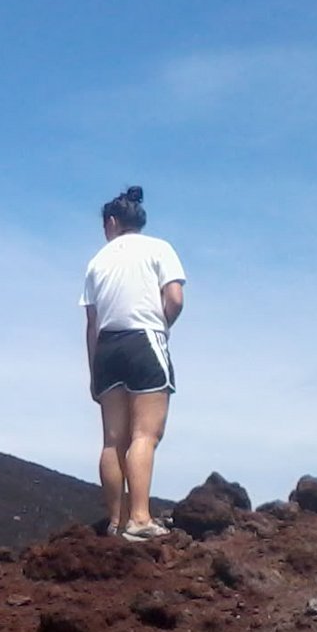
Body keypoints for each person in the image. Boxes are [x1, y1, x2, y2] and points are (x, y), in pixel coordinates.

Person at [80, 186, 186, 541]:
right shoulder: (159, 248)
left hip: (107, 348)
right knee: (145, 434)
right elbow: (174, 297)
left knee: (113, 440)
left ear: (111, 222)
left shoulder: (98, 261)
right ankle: (140, 519)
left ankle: (115, 521)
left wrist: (94, 371)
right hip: (145, 340)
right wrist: (162, 326)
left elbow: (91, 324)